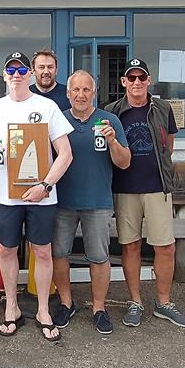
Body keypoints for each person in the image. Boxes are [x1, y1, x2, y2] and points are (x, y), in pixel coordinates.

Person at [0, 52, 73, 341]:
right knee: (7, 250)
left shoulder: (47, 107)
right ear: (4, 75)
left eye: (22, 69)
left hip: (41, 195)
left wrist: (45, 185)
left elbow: (66, 154)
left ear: (30, 74)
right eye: (11, 69)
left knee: (42, 251)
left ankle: (44, 309)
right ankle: (12, 306)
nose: (16, 74)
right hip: (5, 196)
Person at [105, 58, 185, 329]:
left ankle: (163, 303)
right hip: (125, 188)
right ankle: (135, 301)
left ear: (148, 80)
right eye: (130, 78)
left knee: (164, 246)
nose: (136, 83)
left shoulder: (163, 108)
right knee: (130, 246)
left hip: (157, 187)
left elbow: (168, 146)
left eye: (140, 78)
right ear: (123, 82)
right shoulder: (112, 111)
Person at [52, 70, 130, 334]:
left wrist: (112, 142)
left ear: (94, 92)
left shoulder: (110, 120)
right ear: (68, 93)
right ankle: (66, 302)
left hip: (98, 201)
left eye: (86, 90)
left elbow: (124, 162)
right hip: (62, 201)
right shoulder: (58, 121)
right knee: (59, 254)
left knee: (98, 257)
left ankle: (99, 307)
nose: (81, 95)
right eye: (76, 90)